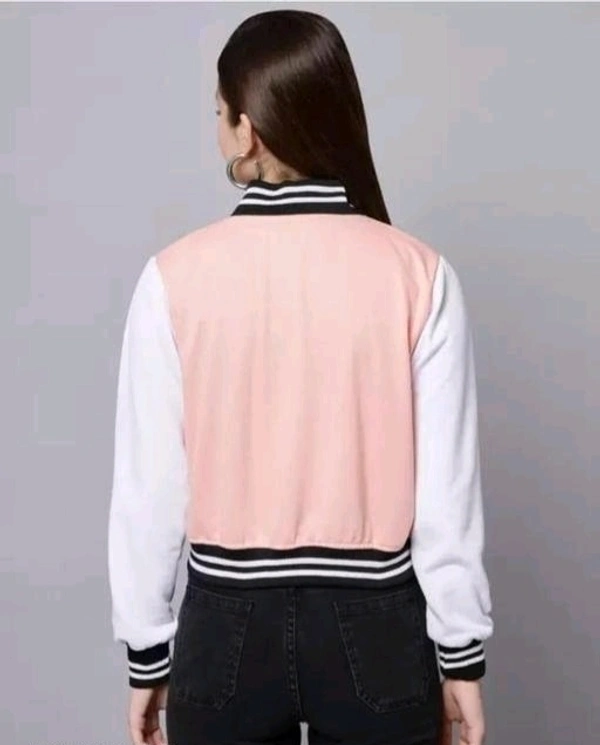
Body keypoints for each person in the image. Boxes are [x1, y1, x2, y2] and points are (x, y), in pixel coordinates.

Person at [107, 9, 494, 745]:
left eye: (218, 112)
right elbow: (447, 492)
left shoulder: (173, 278)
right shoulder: (420, 273)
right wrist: (462, 655)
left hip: (225, 622)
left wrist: (147, 651)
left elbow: (149, 489)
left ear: (246, 130)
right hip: (378, 623)